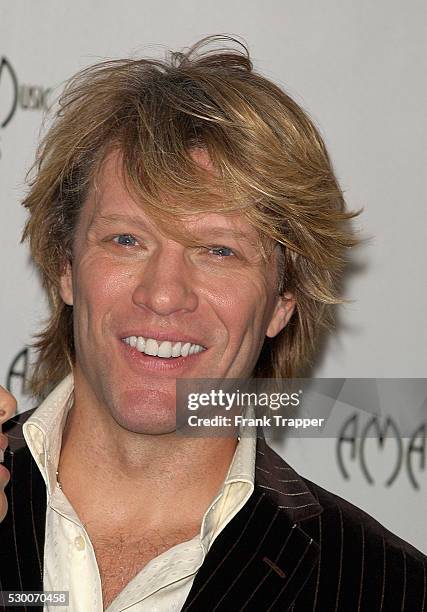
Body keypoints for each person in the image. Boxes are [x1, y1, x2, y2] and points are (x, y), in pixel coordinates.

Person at [0, 35, 425, 612]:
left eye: (218, 251)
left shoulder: (386, 590)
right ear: (65, 265)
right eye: (127, 239)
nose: (163, 294)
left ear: (283, 299)